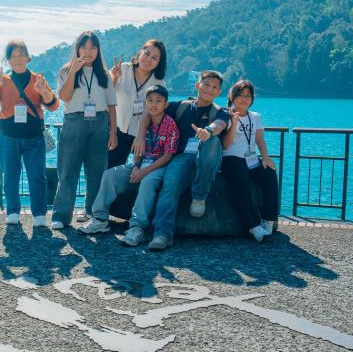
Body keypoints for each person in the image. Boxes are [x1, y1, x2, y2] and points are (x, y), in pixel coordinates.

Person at [133, 70, 230, 250]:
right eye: (206, 84)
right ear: (197, 85)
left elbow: (220, 125)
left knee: (212, 141)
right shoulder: (181, 106)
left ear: (219, 92)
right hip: (182, 157)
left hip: (206, 159)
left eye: (215, 87)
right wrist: (140, 135)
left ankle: (199, 196)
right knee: (170, 183)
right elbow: (150, 111)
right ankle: (162, 234)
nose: (210, 89)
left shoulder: (221, 112)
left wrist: (207, 130)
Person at [80, 85, 179, 246]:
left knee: (147, 182)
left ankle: (137, 227)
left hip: (158, 167)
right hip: (141, 163)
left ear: (166, 104)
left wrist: (144, 171)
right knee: (109, 175)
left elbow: (168, 155)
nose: (154, 104)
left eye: (159, 101)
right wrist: (136, 166)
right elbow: (138, 149)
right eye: (150, 101)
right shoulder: (143, 123)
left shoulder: (170, 125)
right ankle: (100, 218)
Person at [0, 39, 58, 227]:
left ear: (28, 57)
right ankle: (13, 212)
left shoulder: (37, 79)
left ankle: (39, 214)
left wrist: (43, 91)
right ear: (8, 60)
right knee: (10, 175)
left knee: (37, 176)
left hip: (34, 137)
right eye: (13, 56)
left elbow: (53, 106)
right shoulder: (3, 81)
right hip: (8, 136)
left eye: (21, 55)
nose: (18, 59)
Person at [50, 31, 118, 230]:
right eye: (84, 47)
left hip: (100, 122)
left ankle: (94, 215)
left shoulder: (104, 73)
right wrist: (73, 71)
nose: (88, 52)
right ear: (77, 49)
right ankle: (61, 216)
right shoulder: (66, 70)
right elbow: (64, 96)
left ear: (98, 50)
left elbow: (112, 104)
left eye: (93, 48)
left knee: (97, 171)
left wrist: (113, 132)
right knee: (68, 170)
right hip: (74, 120)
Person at [220, 79, 278, 241]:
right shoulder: (226, 115)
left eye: (248, 95)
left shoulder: (255, 117)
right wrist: (234, 123)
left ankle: (268, 219)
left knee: (270, 174)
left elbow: (259, 139)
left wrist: (265, 158)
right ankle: (252, 226)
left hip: (251, 159)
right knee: (242, 181)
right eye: (240, 95)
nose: (244, 99)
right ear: (232, 96)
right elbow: (225, 145)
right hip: (231, 159)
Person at [107, 39, 167, 168]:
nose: (148, 59)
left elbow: (155, 112)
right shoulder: (122, 69)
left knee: (140, 171)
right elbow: (107, 96)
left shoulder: (159, 83)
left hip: (143, 134)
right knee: (110, 170)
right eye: (147, 53)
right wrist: (114, 78)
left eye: (154, 58)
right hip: (117, 131)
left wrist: (141, 136)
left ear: (158, 63)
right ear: (140, 52)